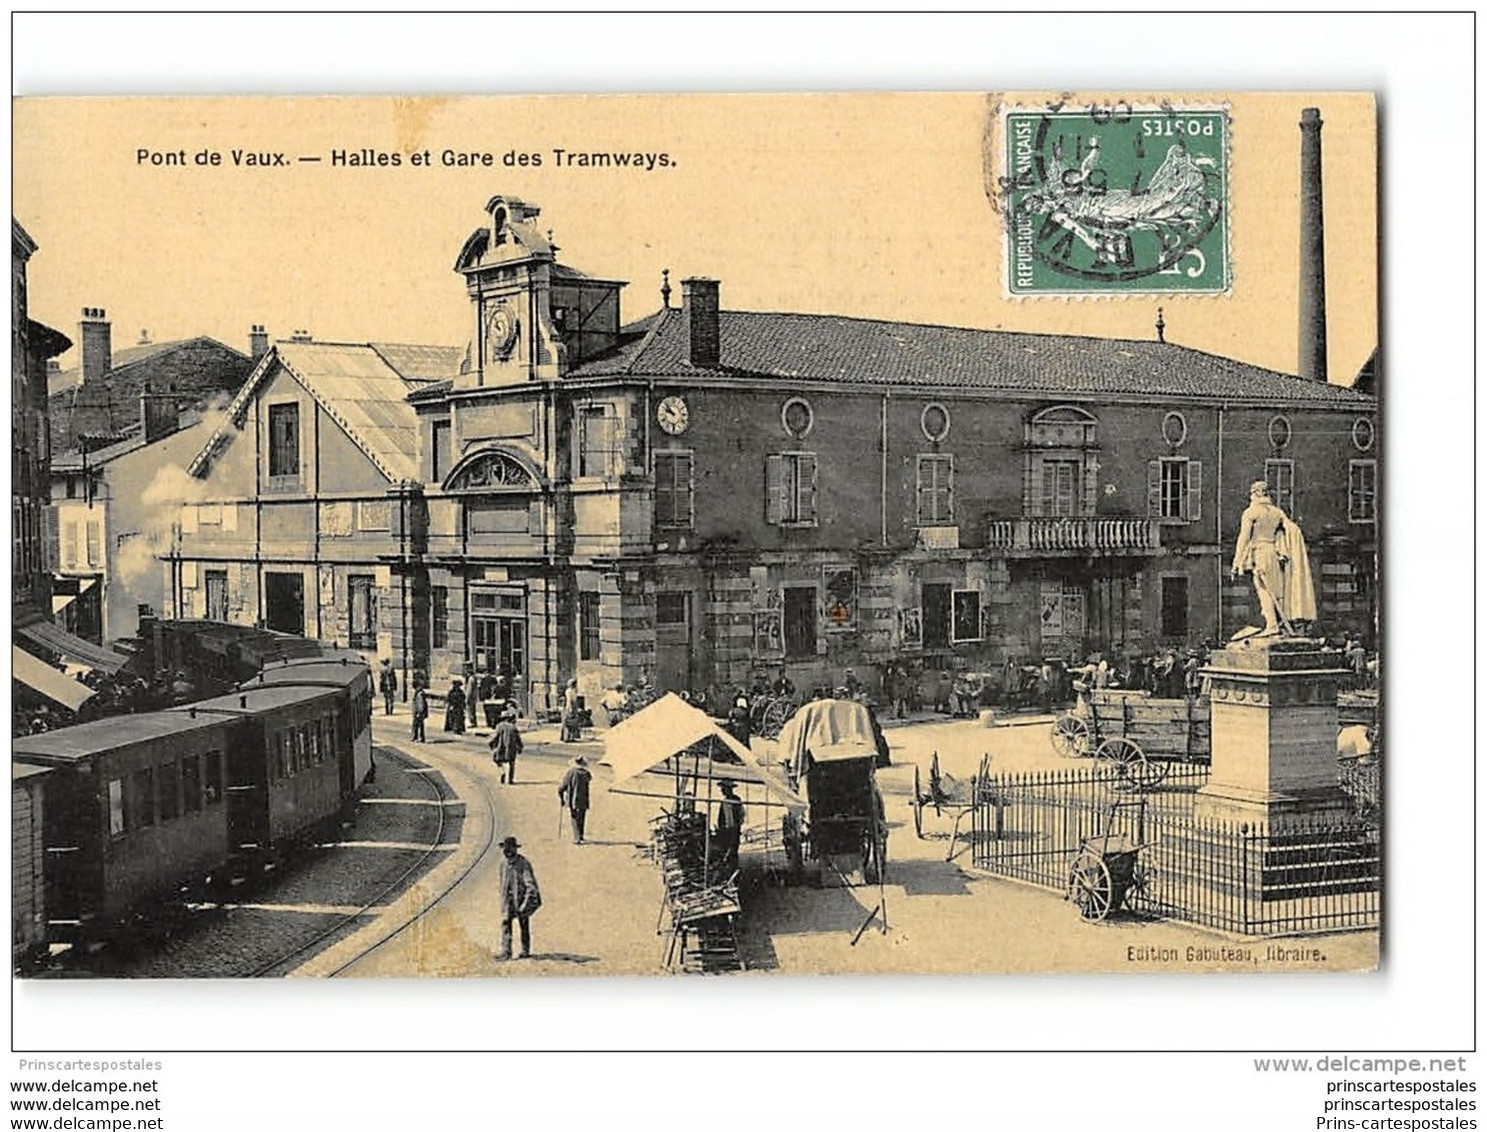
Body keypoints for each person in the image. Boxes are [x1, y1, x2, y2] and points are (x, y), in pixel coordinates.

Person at [1231, 479, 1317, 637]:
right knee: (1277, 591)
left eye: (1252, 493)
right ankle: (1278, 624)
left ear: (1257, 493)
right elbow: (1291, 528)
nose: (1250, 497)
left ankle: (1272, 625)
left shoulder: (1251, 512)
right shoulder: (1277, 512)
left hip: (1260, 552)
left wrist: (1237, 562)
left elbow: (1243, 538)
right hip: (1274, 553)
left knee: (1264, 590)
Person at [497, 836, 541, 960]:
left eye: (509, 849)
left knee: (524, 923)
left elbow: (530, 884)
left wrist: (526, 902)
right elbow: (502, 881)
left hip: (521, 898)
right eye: (505, 850)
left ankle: (525, 950)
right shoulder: (502, 863)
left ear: (515, 850)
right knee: (506, 923)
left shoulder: (523, 863)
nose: (507, 852)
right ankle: (506, 951)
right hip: (507, 899)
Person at [712, 778, 745, 877]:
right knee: (732, 852)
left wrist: (729, 829)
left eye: (723, 788)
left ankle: (732, 874)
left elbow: (731, 819)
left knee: (729, 852)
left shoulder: (729, 801)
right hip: (732, 830)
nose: (722, 790)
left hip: (729, 831)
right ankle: (733, 872)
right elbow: (742, 815)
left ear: (728, 789)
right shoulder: (736, 800)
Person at [558, 755, 593, 844]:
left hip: (572, 799)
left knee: (574, 818)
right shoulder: (587, 774)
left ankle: (576, 837)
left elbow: (562, 787)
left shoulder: (570, 772)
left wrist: (561, 798)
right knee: (582, 817)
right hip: (583, 799)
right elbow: (590, 779)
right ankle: (581, 836)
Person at [489, 706, 523, 784]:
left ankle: (502, 772)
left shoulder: (499, 726)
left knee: (497, 761)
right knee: (512, 763)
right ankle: (510, 779)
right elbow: (518, 739)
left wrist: (491, 744)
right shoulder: (513, 727)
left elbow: (495, 737)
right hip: (511, 748)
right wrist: (520, 747)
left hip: (501, 748)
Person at [561, 677, 582, 742]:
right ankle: (566, 737)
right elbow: (569, 700)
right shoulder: (568, 691)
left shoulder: (573, 691)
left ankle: (571, 737)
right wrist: (570, 709)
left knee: (573, 723)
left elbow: (575, 700)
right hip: (570, 708)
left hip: (574, 707)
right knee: (568, 723)